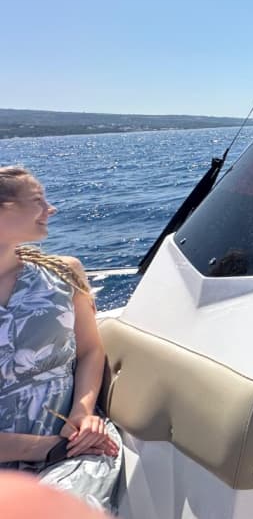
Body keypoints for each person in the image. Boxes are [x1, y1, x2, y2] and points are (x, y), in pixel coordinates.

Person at [0, 166, 122, 512]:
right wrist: (43, 448)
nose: (50, 209)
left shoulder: (63, 272)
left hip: (74, 447)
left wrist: (83, 415)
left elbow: (90, 350)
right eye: (37, 200)